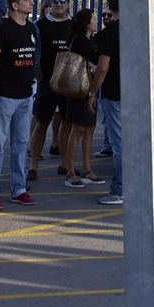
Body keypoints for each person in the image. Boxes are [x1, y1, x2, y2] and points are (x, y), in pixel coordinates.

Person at [0, 0, 38, 209]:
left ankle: (19, 189)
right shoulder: (2, 30)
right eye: (26, 0)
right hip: (4, 96)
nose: (31, 2)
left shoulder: (33, 28)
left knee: (20, 144)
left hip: (26, 96)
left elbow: (35, 58)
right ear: (15, 5)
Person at [29, 0, 71, 181]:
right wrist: (39, 76)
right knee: (41, 123)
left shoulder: (73, 26)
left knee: (67, 123)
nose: (58, 4)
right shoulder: (40, 25)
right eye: (55, 1)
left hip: (68, 84)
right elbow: (34, 52)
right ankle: (33, 165)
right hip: (47, 82)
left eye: (62, 1)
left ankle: (64, 164)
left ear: (68, 4)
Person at [88, 0, 123, 205]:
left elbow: (103, 66)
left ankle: (120, 189)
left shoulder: (112, 32)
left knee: (119, 145)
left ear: (110, 8)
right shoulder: (141, 30)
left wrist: (93, 92)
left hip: (114, 92)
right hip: (137, 93)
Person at [60, 9, 101, 186]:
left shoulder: (90, 40)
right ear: (86, 23)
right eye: (93, 18)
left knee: (89, 129)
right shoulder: (79, 40)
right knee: (77, 130)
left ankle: (87, 169)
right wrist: (94, 63)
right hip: (78, 89)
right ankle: (70, 171)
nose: (96, 20)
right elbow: (96, 58)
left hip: (90, 89)